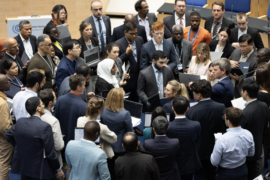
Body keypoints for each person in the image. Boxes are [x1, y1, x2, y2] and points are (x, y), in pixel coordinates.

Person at [5, 97, 64, 180]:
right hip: (40, 169)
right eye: (42, 104)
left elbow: (8, 135)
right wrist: (58, 169)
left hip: (24, 166)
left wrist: (20, 145)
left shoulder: (20, 122)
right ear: (38, 108)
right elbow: (50, 153)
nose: (43, 106)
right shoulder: (45, 127)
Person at [185, 80, 225, 180]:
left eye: (193, 93)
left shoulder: (191, 112)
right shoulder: (221, 107)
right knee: (213, 174)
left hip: (199, 152)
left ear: (199, 95)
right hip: (216, 149)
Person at [211, 107, 255, 180]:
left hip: (226, 173)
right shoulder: (248, 134)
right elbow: (251, 154)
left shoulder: (221, 140)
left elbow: (214, 162)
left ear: (228, 121)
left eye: (224, 118)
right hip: (243, 169)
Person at [100, 88, 133, 179]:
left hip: (106, 146)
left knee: (110, 170)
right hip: (120, 148)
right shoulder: (125, 114)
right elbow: (130, 132)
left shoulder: (103, 111)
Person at [166, 95, 201, 180]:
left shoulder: (168, 127)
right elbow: (197, 141)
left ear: (173, 108)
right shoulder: (196, 125)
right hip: (189, 163)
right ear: (187, 109)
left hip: (173, 164)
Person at [240, 79, 270, 180]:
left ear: (246, 92)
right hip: (260, 146)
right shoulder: (264, 105)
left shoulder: (245, 113)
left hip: (250, 152)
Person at [115, 22, 144, 102]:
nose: (134, 36)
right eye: (131, 34)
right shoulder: (118, 44)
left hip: (139, 79)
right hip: (127, 81)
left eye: (136, 33)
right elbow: (116, 62)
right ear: (125, 32)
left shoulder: (140, 39)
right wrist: (126, 54)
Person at [55, 74, 87, 146]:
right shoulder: (84, 106)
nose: (84, 87)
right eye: (84, 85)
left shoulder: (59, 100)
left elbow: (57, 120)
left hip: (61, 138)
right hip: (75, 142)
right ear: (79, 87)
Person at [39, 89, 65, 167]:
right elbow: (59, 146)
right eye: (54, 97)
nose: (56, 98)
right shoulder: (53, 121)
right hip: (51, 161)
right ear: (50, 103)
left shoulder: (31, 115)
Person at [0, 75, 13, 180]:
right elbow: (4, 128)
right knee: (4, 165)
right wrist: (11, 137)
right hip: (3, 140)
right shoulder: (3, 104)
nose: (9, 83)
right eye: (6, 82)